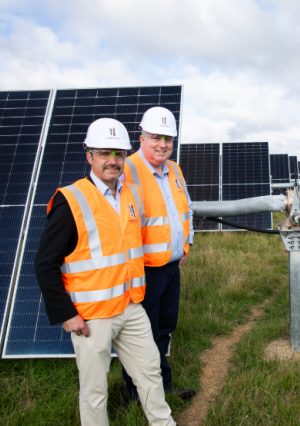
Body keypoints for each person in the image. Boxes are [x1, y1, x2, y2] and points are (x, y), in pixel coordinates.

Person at [35, 118, 178, 426]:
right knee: (95, 388)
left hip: (130, 305)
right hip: (92, 316)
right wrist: (66, 313)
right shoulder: (70, 200)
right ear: (89, 156)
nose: (113, 161)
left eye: (119, 154)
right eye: (104, 153)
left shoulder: (131, 195)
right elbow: (44, 263)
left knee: (151, 370)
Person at [121, 107, 195, 402]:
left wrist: (184, 247)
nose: (162, 144)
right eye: (155, 137)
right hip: (143, 272)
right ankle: (135, 395)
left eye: (168, 138)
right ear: (142, 137)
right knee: (140, 337)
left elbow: (185, 210)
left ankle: (162, 388)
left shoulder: (174, 169)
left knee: (164, 330)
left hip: (171, 268)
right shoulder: (128, 169)